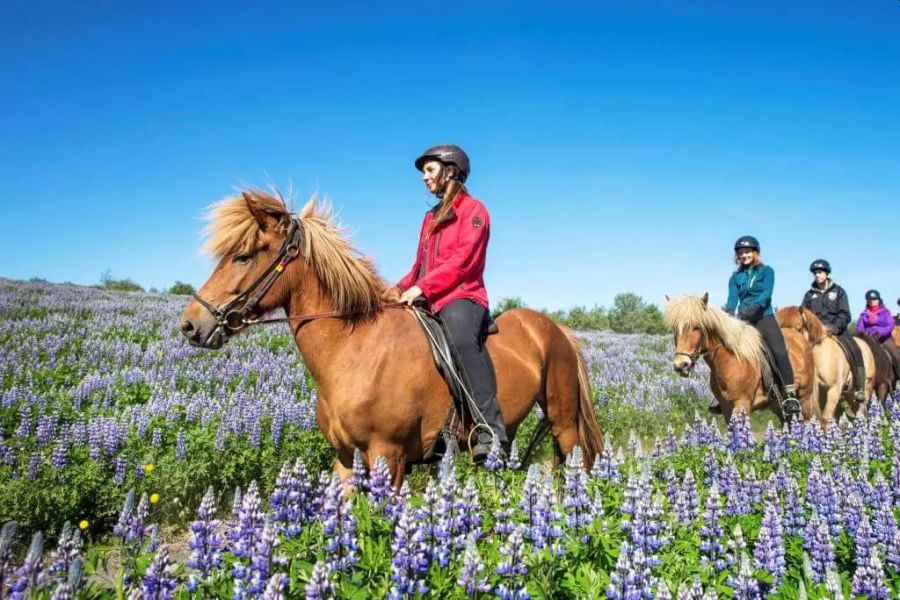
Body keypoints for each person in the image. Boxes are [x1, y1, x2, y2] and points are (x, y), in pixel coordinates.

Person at [389, 144, 508, 463]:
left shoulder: (475, 211)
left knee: (459, 340)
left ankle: (489, 430)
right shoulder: (430, 217)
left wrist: (422, 288)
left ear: (451, 170)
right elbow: (419, 265)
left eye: (429, 170)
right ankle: (439, 427)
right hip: (430, 296)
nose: (424, 177)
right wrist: (396, 289)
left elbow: (463, 262)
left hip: (462, 296)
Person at [725, 236, 801, 417]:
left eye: (747, 252)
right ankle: (725, 393)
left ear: (755, 253)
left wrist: (753, 308)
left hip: (764, 318)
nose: (744, 255)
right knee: (728, 351)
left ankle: (790, 394)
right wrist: (728, 314)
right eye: (741, 253)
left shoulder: (767, 271)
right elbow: (732, 299)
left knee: (779, 351)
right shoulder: (735, 277)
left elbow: (766, 294)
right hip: (743, 320)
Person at [801, 259, 866, 401]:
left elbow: (845, 314)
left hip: (837, 330)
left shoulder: (839, 292)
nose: (817, 275)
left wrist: (833, 328)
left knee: (856, 350)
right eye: (815, 273)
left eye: (819, 272)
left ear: (826, 273)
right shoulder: (809, 295)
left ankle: (860, 388)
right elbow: (804, 315)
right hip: (815, 333)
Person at [856, 290, 900, 383]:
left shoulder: (885, 312)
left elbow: (890, 325)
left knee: (896, 355)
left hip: (884, 338)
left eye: (874, 299)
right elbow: (859, 327)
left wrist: (880, 331)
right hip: (868, 338)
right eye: (869, 299)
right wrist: (865, 333)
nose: (872, 301)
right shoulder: (864, 314)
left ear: (879, 300)